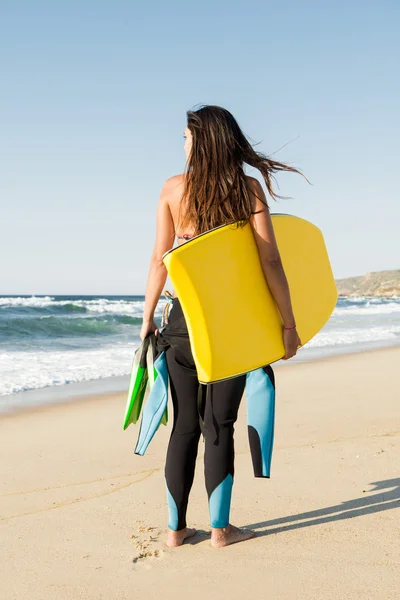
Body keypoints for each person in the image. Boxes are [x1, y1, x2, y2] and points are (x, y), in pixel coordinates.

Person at [139, 105, 303, 548]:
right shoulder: (247, 190)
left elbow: (161, 259)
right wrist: (289, 325)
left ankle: (175, 532)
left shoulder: (173, 189)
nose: (185, 144)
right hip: (230, 333)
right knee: (219, 428)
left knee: (184, 429)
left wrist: (147, 318)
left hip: (181, 329)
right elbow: (270, 261)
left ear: (203, 140)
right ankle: (220, 530)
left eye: (188, 137)